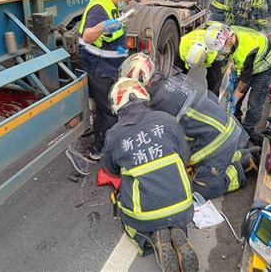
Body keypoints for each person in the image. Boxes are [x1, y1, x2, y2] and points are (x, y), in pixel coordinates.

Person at [118, 53, 260, 200]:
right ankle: (237, 155)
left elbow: (165, 138)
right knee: (197, 168)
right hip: (222, 128)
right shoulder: (171, 79)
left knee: (199, 191)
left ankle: (241, 169)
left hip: (217, 140)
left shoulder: (157, 101)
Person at [103, 78, 198, 271]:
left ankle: (149, 237)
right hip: (182, 205)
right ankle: (176, 228)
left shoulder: (114, 135)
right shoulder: (167, 119)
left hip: (145, 214)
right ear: (144, 97)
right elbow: (185, 156)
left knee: (123, 197)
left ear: (116, 107)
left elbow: (111, 170)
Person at [77, 0, 149, 160]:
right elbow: (88, 35)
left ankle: (100, 139)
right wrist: (103, 28)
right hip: (99, 67)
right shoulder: (100, 8)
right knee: (109, 109)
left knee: (102, 109)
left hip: (109, 62)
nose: (127, 2)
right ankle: (100, 150)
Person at [223, 26, 271, 145]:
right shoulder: (229, 32)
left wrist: (232, 102)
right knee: (235, 94)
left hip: (264, 66)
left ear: (230, 39)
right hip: (252, 60)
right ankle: (236, 118)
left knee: (255, 101)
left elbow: (242, 85)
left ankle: (248, 130)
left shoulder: (245, 53)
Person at [179, 22, 232, 95]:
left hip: (214, 55)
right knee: (180, 75)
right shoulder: (182, 47)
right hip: (194, 41)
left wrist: (212, 99)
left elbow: (220, 79)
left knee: (214, 80)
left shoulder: (215, 52)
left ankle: (211, 96)